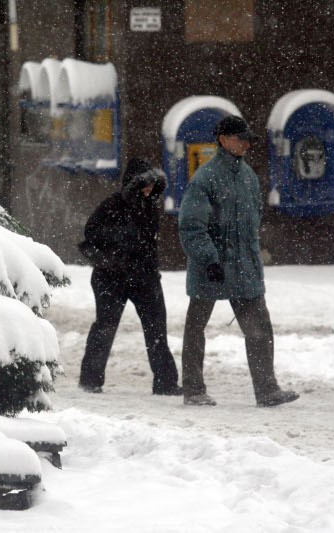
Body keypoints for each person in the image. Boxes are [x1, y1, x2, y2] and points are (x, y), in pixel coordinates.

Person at [178, 115, 299, 407]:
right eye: (240, 138)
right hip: (212, 267)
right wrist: (209, 260)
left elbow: (252, 221)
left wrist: (253, 258)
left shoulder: (248, 177)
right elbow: (192, 226)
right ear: (223, 140)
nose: (246, 144)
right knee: (196, 328)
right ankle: (193, 390)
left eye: (248, 139)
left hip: (244, 267)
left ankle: (267, 390)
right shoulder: (205, 179)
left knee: (259, 328)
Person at [78, 158, 183, 396]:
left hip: (145, 278)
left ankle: (165, 383)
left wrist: (149, 269)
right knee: (105, 327)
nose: (148, 190)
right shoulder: (112, 205)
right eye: (144, 185)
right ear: (132, 184)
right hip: (111, 278)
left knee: (156, 329)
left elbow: (147, 245)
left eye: (151, 185)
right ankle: (90, 381)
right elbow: (90, 236)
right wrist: (111, 258)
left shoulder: (150, 208)